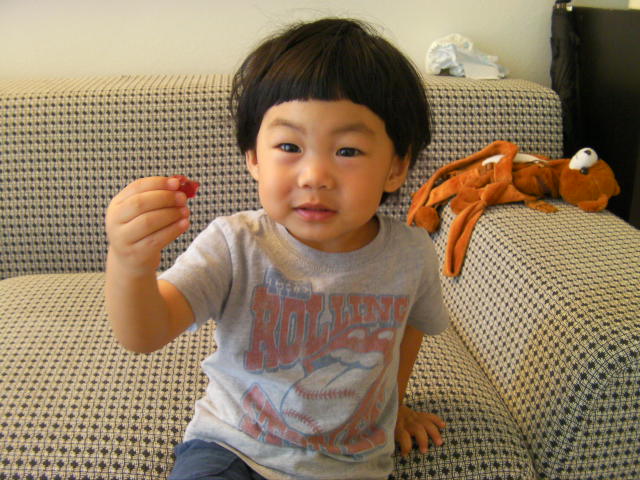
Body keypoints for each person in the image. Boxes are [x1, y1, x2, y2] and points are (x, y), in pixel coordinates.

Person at [105, 17, 449, 480]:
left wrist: (396, 406)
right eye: (289, 145)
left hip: (352, 466)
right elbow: (144, 334)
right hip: (231, 449)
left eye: (348, 151)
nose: (314, 176)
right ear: (253, 157)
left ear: (396, 167)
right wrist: (129, 262)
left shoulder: (410, 254)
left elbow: (410, 329)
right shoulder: (235, 244)